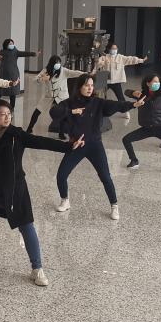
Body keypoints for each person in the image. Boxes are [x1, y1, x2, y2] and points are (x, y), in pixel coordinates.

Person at [0, 101, 82, 287]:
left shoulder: (16, 134)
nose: (8, 117)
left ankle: (37, 269)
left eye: (9, 114)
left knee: (27, 226)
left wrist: (69, 146)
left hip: (14, 189)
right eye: (3, 114)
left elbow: (41, 141)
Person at [49, 74, 132, 220]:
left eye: (92, 85)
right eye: (87, 85)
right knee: (61, 175)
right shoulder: (69, 103)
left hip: (94, 145)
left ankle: (114, 205)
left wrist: (132, 105)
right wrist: (71, 112)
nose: (90, 88)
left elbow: (117, 105)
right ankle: (65, 200)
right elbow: (53, 112)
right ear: (79, 86)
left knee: (105, 176)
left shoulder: (98, 102)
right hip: (77, 145)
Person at [26, 55, 86, 136]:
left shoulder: (63, 71)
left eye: (59, 63)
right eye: (56, 63)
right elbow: (35, 80)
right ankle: (29, 128)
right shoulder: (46, 71)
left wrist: (86, 74)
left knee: (63, 113)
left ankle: (61, 133)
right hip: (49, 96)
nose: (58, 65)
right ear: (51, 63)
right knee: (37, 111)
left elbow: (75, 73)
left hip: (62, 96)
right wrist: (41, 79)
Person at [0, 38, 40, 113]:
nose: (12, 45)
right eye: (10, 44)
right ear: (6, 45)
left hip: (13, 75)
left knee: (13, 93)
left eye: (12, 43)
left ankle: (11, 109)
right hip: (3, 75)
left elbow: (25, 53)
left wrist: (34, 54)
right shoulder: (2, 52)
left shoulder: (15, 51)